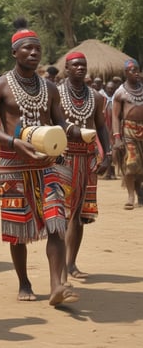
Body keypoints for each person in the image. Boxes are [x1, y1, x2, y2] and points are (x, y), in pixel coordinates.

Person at [0, 19, 79, 306]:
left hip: (46, 165)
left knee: (56, 223)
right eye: (27, 48)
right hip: (13, 164)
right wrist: (12, 142)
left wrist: (64, 145)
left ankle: (56, 285)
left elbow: (60, 123)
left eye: (37, 48)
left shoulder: (50, 88)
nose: (34, 53)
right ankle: (24, 281)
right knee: (17, 230)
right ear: (14, 53)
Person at [57, 52, 110, 280]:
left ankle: (71, 263)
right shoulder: (56, 94)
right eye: (75, 65)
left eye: (83, 65)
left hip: (87, 160)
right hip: (62, 158)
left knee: (78, 215)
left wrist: (106, 154)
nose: (80, 68)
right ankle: (58, 265)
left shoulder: (96, 97)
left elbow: (101, 127)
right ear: (66, 68)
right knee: (60, 213)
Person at [112, 58, 143, 209]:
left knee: (141, 167)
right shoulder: (120, 93)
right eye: (132, 70)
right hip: (129, 132)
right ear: (126, 73)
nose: (136, 73)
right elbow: (115, 117)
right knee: (131, 164)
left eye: (137, 69)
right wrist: (117, 137)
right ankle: (131, 196)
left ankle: (139, 192)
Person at [101, 80, 117, 179]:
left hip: (114, 129)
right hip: (104, 128)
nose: (110, 90)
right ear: (105, 88)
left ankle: (113, 172)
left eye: (112, 88)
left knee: (114, 150)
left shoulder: (116, 99)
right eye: (109, 88)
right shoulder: (101, 99)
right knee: (106, 150)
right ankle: (107, 172)